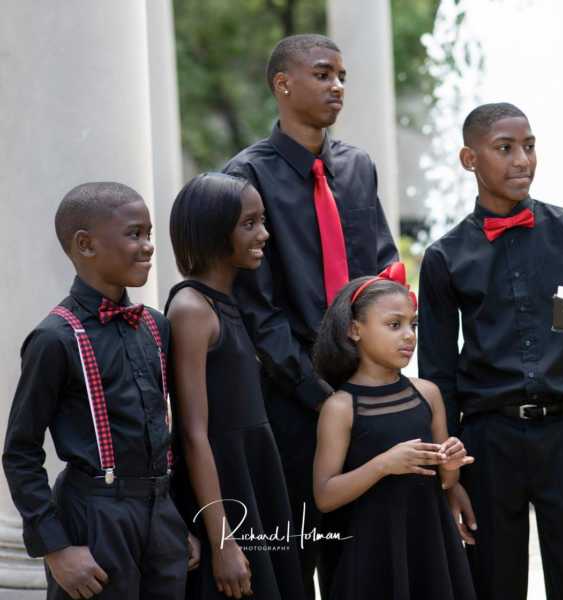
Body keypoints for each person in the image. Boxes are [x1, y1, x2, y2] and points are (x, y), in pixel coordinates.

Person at [417, 102, 563, 600]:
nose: (522, 161)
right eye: (505, 148)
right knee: (492, 583)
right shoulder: (444, 258)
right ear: (470, 159)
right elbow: (438, 373)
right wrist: (450, 472)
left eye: (530, 146)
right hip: (488, 444)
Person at [222, 33, 398, 596]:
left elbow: (383, 268)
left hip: (367, 392)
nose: (337, 87)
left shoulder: (358, 167)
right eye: (323, 75)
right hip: (292, 401)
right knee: (297, 553)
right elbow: (257, 308)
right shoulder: (245, 177)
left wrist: (376, 378)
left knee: (366, 556)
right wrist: (320, 393)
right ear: (283, 84)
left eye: (342, 76)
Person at [2, 182, 200, 599]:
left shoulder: (156, 325)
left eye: (149, 233)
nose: (148, 246)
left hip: (159, 514)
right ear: (85, 245)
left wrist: (174, 520)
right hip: (94, 517)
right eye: (134, 234)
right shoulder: (55, 338)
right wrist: (55, 548)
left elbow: (167, 435)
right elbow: (20, 451)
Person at [165, 173, 305, 600]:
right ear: (213, 230)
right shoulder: (192, 309)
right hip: (225, 491)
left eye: (262, 220)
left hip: (254, 475)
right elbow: (193, 433)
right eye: (249, 223)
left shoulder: (229, 301)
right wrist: (223, 542)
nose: (264, 233)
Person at [311, 263, 476, 600]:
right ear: (355, 330)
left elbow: (446, 482)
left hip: (429, 547)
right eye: (394, 325)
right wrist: (384, 464)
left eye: (413, 325)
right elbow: (324, 496)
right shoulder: (340, 407)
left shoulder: (427, 394)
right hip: (371, 555)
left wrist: (452, 462)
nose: (409, 335)